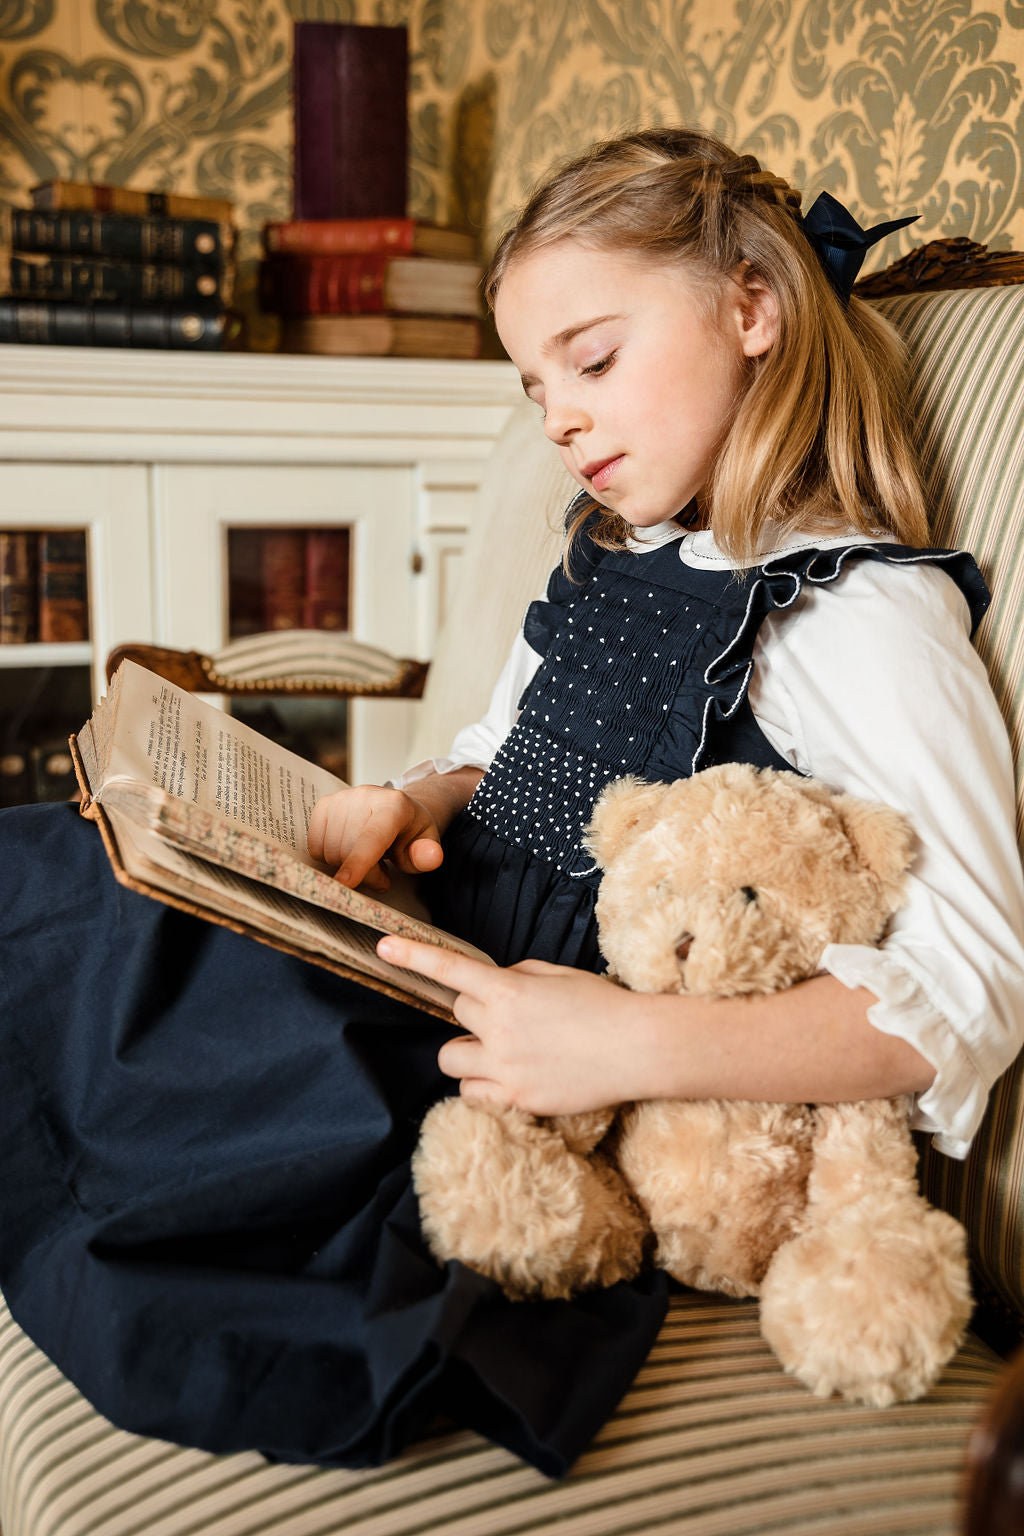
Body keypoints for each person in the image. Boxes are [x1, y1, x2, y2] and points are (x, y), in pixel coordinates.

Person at [0, 127, 1022, 1479]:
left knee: (115, 969)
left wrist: (623, 1047)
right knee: (67, 871)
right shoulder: (612, 552)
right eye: (536, 385)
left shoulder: (858, 609)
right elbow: (499, 739)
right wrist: (409, 796)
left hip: (536, 1056)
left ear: (754, 307)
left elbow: (973, 985)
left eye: (590, 360)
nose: (560, 417)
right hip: (439, 945)